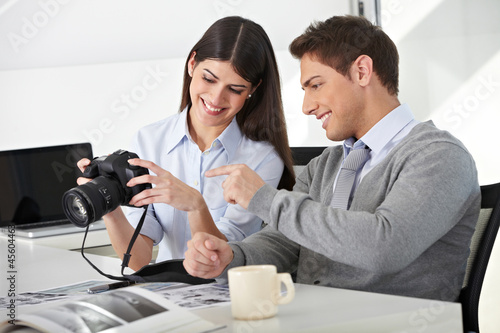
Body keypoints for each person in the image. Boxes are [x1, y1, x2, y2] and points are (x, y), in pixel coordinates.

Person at [183, 15, 481, 302]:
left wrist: (265, 199)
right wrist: (232, 257)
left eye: (315, 85)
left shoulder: (439, 156)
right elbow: (284, 241)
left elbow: (385, 246)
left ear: (362, 72)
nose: (307, 106)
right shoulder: (325, 166)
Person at [77, 16, 295, 271]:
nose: (216, 98)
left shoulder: (263, 158)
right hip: (167, 295)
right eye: (209, 79)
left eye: (235, 89)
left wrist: (195, 205)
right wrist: (108, 203)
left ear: (252, 90)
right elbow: (137, 259)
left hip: (232, 295)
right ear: (192, 63)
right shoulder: (149, 140)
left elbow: (217, 261)